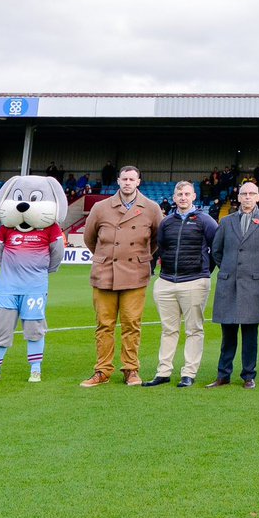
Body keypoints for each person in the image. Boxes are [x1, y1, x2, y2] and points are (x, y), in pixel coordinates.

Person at [0, 175, 65, 384]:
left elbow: (57, 253)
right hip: (7, 287)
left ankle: (35, 369)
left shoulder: (50, 228)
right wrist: (8, 271)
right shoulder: (6, 227)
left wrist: (43, 270)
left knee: (34, 329)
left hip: (34, 288)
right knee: (0, 329)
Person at [81, 166, 163, 387]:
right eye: (124, 178)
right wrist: (106, 256)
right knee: (104, 325)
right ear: (118, 181)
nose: (127, 182)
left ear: (138, 182)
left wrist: (137, 258)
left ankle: (131, 370)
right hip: (104, 274)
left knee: (131, 325)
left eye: (132, 179)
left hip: (135, 275)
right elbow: (90, 239)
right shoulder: (100, 207)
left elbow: (156, 240)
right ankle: (102, 371)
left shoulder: (152, 208)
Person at [142, 181, 218, 388]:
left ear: (194, 196)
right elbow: (161, 248)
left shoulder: (206, 221)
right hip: (166, 282)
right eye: (179, 194)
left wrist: (203, 272)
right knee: (168, 329)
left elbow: (216, 249)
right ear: (174, 198)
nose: (183, 197)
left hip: (195, 282)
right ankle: (163, 371)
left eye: (186, 194)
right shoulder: (166, 223)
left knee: (194, 329)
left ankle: (189, 373)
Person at [208, 182, 259, 389]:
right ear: (238, 197)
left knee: (250, 334)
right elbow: (217, 251)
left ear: (258, 197)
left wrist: (255, 271)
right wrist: (231, 269)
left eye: (251, 194)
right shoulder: (226, 221)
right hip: (228, 284)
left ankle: (249, 375)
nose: (247, 197)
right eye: (244, 194)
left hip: (253, 285)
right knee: (227, 333)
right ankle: (223, 374)